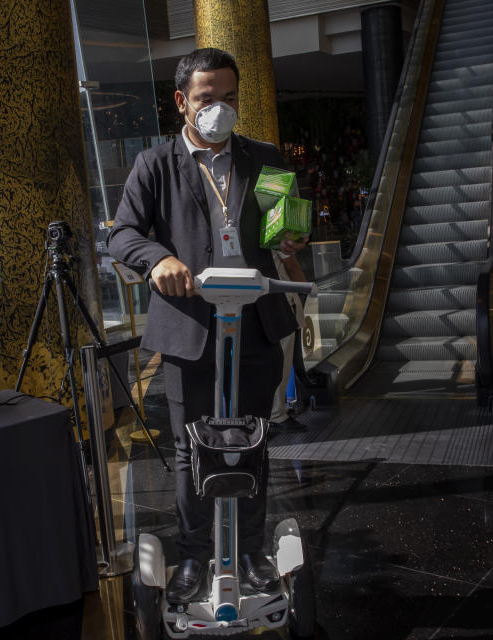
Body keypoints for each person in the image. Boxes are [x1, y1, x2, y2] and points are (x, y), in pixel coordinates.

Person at [108, 48, 308, 604]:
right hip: (191, 325)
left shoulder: (264, 158)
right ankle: (195, 556)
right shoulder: (157, 164)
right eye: (206, 99)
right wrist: (157, 260)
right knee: (191, 446)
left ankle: (250, 551)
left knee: (252, 441)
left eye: (228, 98)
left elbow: (281, 231)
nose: (219, 109)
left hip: (256, 322)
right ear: (182, 102)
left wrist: (290, 240)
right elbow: (122, 234)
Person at [270, 253, 307, 432]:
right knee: (282, 360)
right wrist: (306, 290)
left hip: (259, 302)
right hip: (281, 301)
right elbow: (291, 265)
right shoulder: (272, 226)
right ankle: (277, 415)